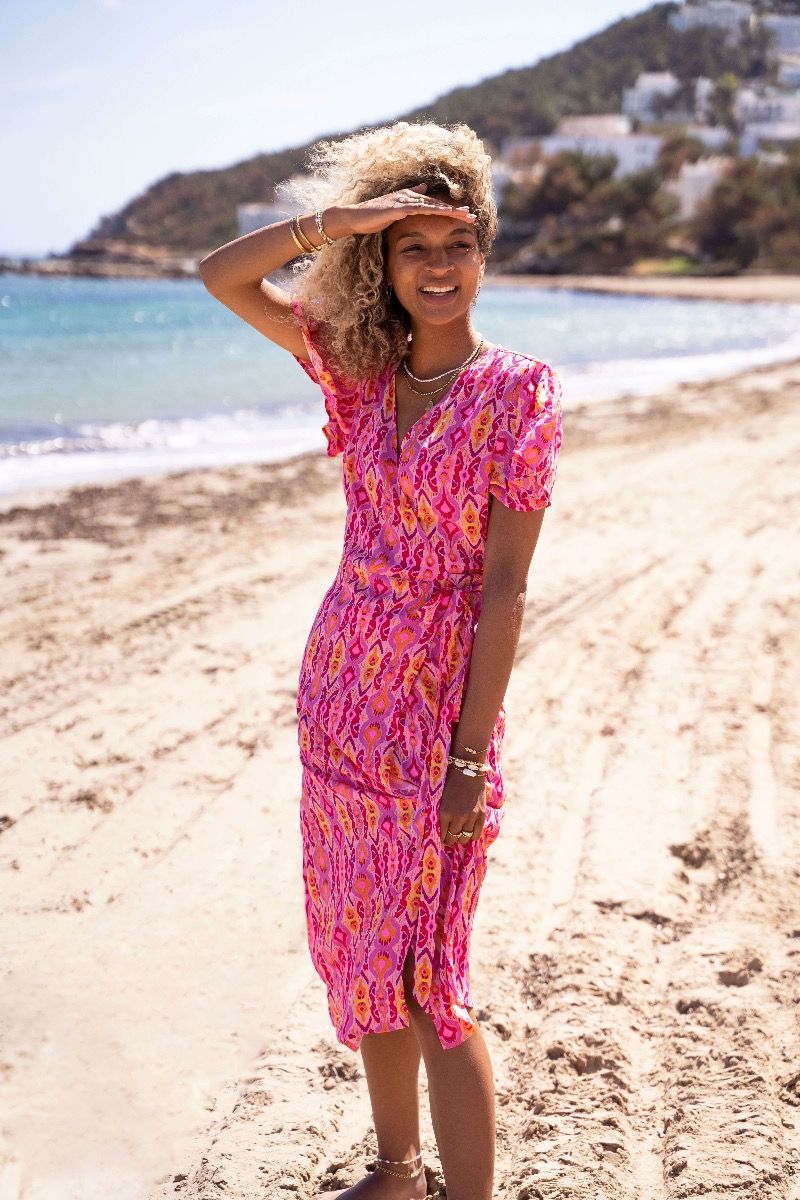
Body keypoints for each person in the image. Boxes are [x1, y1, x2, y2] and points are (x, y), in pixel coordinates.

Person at [199, 120, 564, 1200]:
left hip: (437, 720)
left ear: (484, 254)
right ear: (383, 265)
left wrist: (468, 757)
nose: (437, 267)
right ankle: (398, 1171)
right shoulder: (356, 376)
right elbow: (222, 276)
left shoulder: (518, 391)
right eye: (412, 248)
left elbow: (504, 588)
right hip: (339, 707)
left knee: (432, 980)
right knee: (366, 958)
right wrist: (343, 220)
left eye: (456, 245)